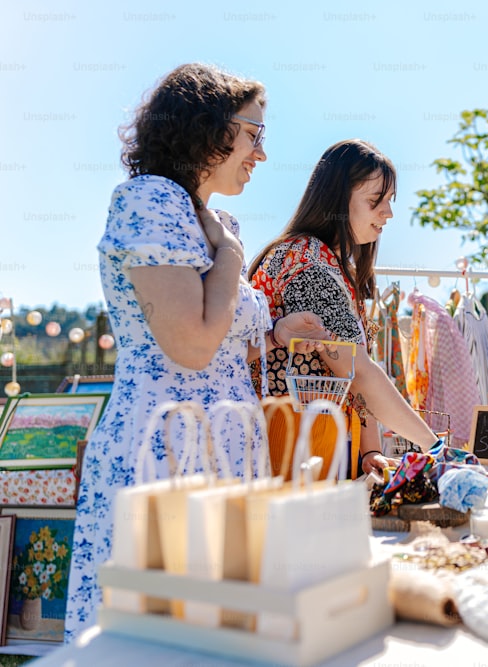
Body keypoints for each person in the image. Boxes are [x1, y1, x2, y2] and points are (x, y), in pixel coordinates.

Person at [64, 63, 329, 642]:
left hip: (221, 446)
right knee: (162, 638)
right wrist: (232, 254)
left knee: (216, 637)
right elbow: (189, 344)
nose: (261, 152)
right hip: (165, 450)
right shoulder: (151, 200)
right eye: (253, 134)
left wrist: (275, 334)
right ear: (207, 127)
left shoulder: (210, 217)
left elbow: (221, 344)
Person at [248, 139, 439, 477]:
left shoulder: (320, 260)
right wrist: (433, 445)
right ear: (336, 199)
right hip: (297, 452)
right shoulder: (311, 267)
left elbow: (349, 375)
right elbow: (357, 372)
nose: (388, 213)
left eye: (389, 201)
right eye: (375, 201)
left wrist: (371, 450)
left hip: (304, 447)